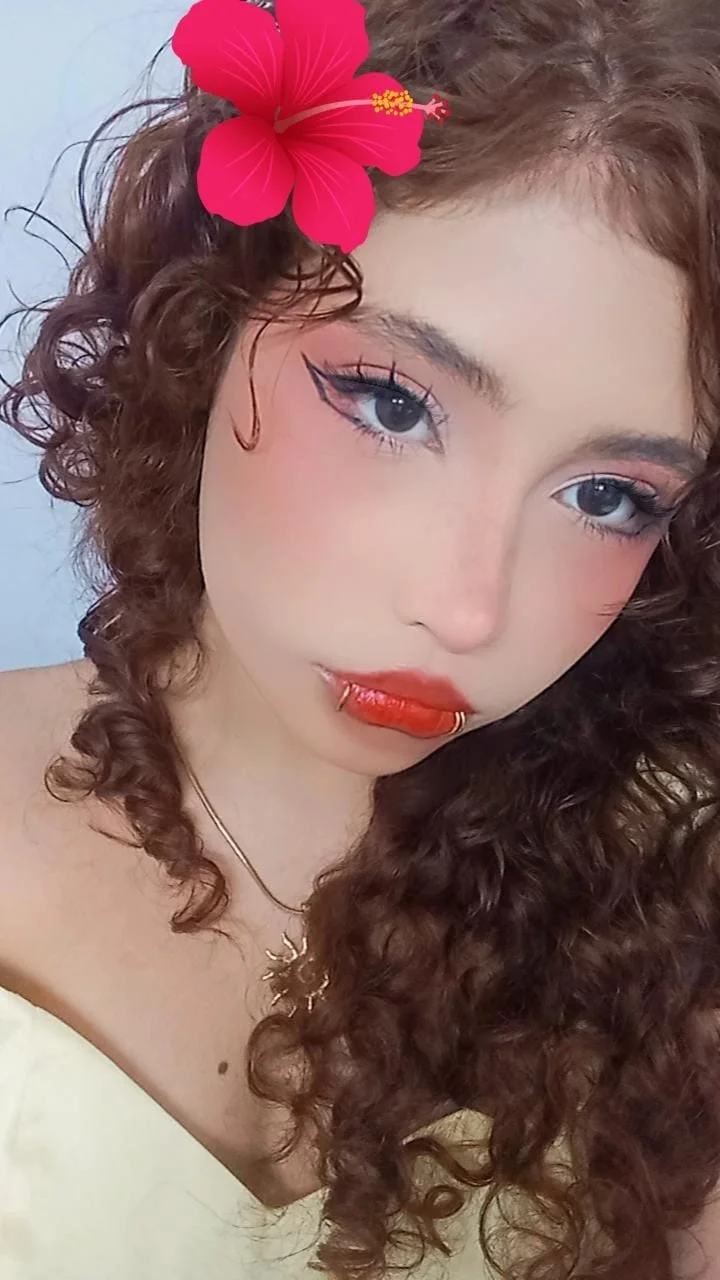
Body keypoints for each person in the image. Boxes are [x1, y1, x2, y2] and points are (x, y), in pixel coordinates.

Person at [3, 0, 720, 1275]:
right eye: (391, 404)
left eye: (609, 495)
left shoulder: (665, 887)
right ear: (205, 317)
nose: (469, 608)